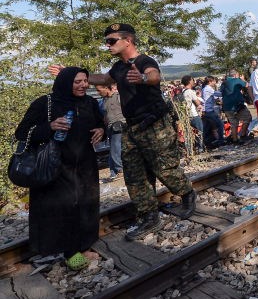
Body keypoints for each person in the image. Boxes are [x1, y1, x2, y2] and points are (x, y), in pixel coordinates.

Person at [48, 23, 196, 239]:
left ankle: (187, 195)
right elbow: (104, 80)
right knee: (134, 174)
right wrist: (71, 75)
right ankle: (148, 217)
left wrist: (144, 79)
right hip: (132, 126)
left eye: (111, 41)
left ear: (128, 41)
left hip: (155, 124)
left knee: (164, 169)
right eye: (106, 41)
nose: (107, 45)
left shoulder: (144, 61)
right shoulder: (118, 67)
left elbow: (153, 74)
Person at [16, 67, 105, 270]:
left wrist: (102, 130)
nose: (84, 85)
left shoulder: (90, 103)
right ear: (65, 83)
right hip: (55, 167)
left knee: (85, 204)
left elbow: (100, 124)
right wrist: (50, 127)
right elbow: (21, 133)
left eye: (85, 81)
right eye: (77, 82)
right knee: (63, 208)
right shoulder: (45, 103)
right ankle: (69, 252)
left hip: (85, 165)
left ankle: (83, 246)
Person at [95, 83, 125, 181]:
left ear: (106, 88)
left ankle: (120, 170)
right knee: (113, 149)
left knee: (115, 149)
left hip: (119, 126)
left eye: (99, 90)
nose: (98, 92)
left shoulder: (118, 97)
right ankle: (114, 172)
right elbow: (104, 114)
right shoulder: (103, 100)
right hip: (110, 127)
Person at [220, 69, 252, 144]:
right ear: (235, 75)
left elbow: (222, 92)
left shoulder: (224, 82)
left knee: (233, 123)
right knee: (248, 118)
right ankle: (243, 135)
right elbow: (247, 85)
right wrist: (243, 79)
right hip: (237, 105)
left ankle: (235, 140)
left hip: (226, 106)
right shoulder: (236, 80)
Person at [181, 75, 204, 154]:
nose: (193, 81)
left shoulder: (183, 91)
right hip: (194, 115)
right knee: (199, 132)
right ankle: (200, 149)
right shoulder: (190, 91)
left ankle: (191, 150)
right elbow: (198, 103)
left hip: (186, 116)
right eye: (192, 80)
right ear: (189, 81)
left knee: (189, 134)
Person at [201, 76, 225, 148]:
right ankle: (221, 140)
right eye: (214, 81)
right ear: (210, 82)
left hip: (207, 111)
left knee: (208, 127)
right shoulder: (208, 88)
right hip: (209, 111)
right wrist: (226, 91)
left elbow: (214, 97)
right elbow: (218, 94)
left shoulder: (205, 88)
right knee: (220, 124)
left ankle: (207, 142)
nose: (215, 82)